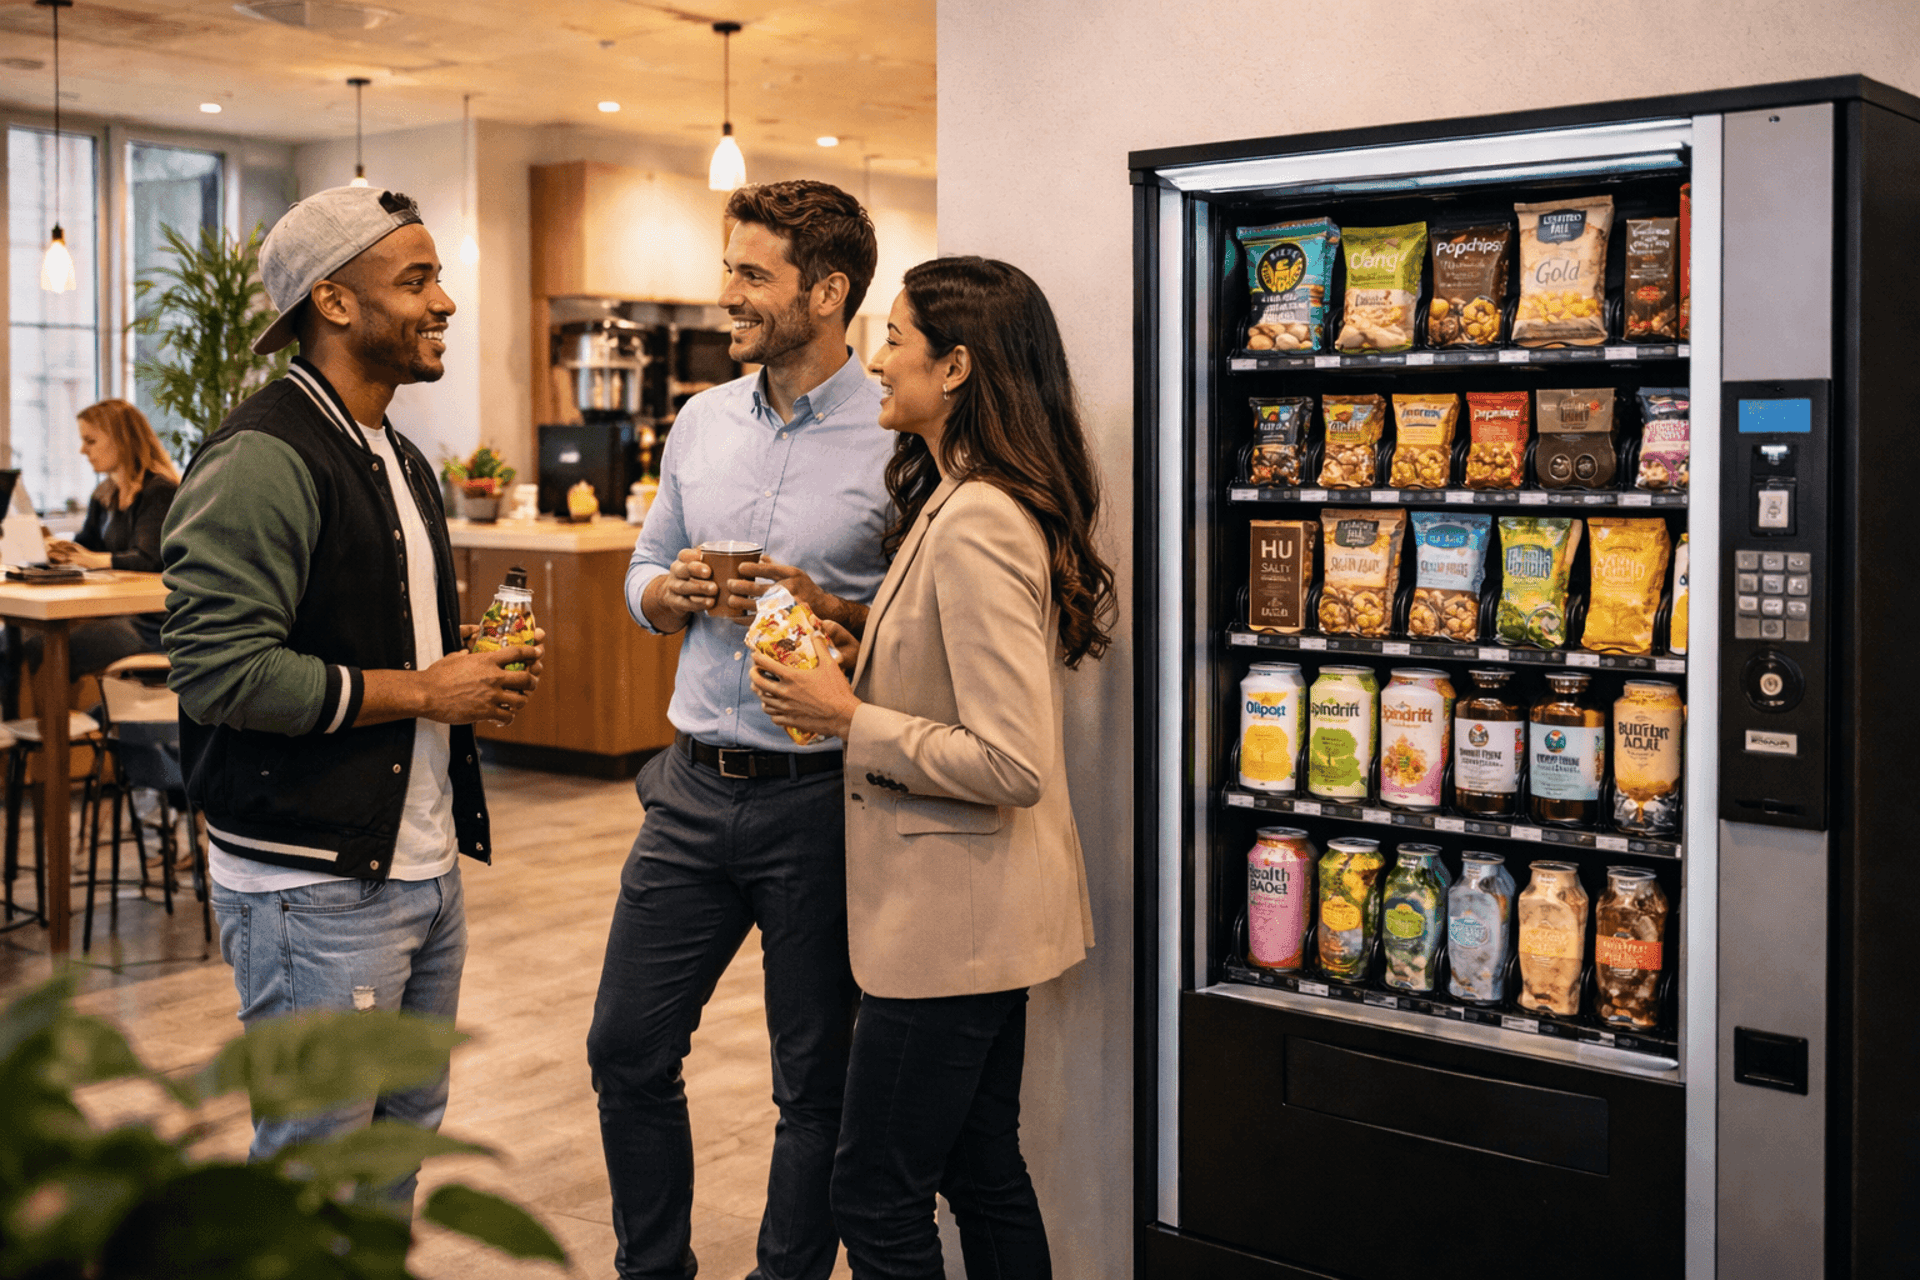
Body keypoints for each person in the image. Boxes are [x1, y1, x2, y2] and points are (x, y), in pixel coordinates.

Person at [159, 184, 541, 1204]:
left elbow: (368, 636)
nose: (445, 300)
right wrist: (421, 686)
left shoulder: (402, 457)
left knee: (390, 1150)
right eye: (415, 278)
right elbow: (218, 669)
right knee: (314, 1173)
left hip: (413, 860)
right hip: (308, 884)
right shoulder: (263, 455)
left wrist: (464, 675)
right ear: (332, 301)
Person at [750, 257, 1114, 1279]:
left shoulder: (981, 517)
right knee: (980, 1163)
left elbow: (1010, 757)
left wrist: (847, 715)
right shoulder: (961, 497)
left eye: (895, 338)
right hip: (976, 916)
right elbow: (951, 683)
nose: (874, 357)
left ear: (955, 366)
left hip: (952, 924)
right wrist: (851, 635)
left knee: (874, 1187)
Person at [590, 179, 893, 1280]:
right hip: (685, 786)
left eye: (752, 274)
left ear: (828, 289)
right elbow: (641, 565)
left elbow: (917, 622)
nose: (728, 295)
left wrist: (837, 612)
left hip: (819, 800)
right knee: (625, 1047)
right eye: (731, 270)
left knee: (814, 1081)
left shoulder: (896, 432)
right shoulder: (702, 419)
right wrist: (667, 595)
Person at [17, 399, 178, 681]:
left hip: (150, 622)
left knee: (41, 648)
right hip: (117, 612)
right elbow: (86, 544)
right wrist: (56, 549)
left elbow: (150, 559)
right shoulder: (105, 493)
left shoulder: (159, 491)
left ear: (121, 439)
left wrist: (89, 559)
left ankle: (54, 724)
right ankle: (33, 723)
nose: (83, 451)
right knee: (20, 639)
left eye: (90, 441)